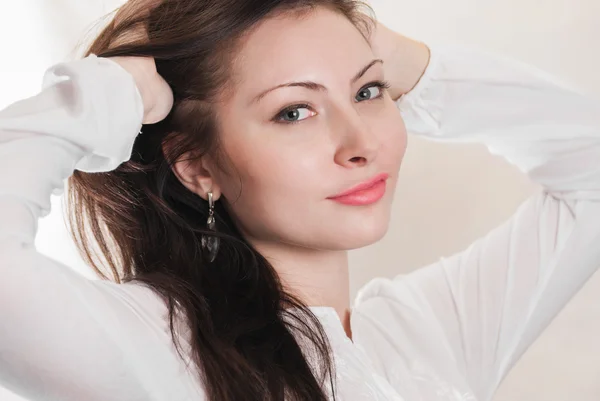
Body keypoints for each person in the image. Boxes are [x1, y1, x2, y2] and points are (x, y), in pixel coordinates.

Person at [0, 0, 599, 400]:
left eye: (369, 90)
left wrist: (410, 63)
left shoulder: (424, 333)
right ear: (196, 165)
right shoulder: (158, 346)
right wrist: (103, 98)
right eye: (295, 111)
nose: (361, 142)